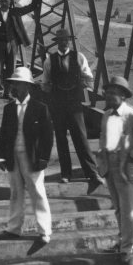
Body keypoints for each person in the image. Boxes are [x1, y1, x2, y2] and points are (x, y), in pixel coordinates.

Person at [97, 75, 133, 264]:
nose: (109, 97)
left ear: (123, 96)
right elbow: (103, 139)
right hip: (110, 168)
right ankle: (122, 241)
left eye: (114, 94)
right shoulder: (106, 115)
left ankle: (127, 247)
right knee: (118, 209)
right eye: (107, 93)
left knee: (128, 210)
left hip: (126, 169)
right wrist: (102, 161)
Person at [39, 27, 104, 192]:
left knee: (81, 138)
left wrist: (82, 84)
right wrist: (50, 90)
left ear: (69, 41)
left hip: (75, 104)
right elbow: (44, 82)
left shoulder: (78, 57)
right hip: (58, 105)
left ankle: (91, 172)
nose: (63, 43)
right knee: (61, 139)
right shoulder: (49, 60)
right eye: (60, 41)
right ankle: (66, 173)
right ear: (56, 43)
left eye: (65, 40)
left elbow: (89, 77)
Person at [0, 66, 54, 243]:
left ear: (27, 87)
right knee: (15, 193)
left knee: (37, 191)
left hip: (32, 158)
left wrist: (44, 157)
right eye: (13, 84)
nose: (15, 88)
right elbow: (4, 134)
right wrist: (1, 156)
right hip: (13, 156)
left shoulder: (40, 108)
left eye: (19, 84)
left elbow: (47, 136)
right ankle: (13, 229)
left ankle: (44, 231)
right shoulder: (9, 109)